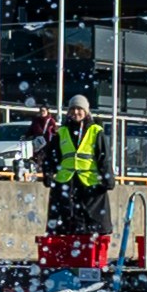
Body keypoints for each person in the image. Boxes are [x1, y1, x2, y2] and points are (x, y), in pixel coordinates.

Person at [35, 93, 111, 242]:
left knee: (90, 223)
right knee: (66, 222)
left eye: (79, 109)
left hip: (90, 184)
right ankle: (68, 255)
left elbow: (104, 158)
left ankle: (88, 256)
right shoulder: (61, 132)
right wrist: (48, 174)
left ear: (86, 111)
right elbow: (51, 156)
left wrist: (108, 179)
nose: (75, 112)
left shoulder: (96, 131)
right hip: (66, 183)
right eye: (72, 109)